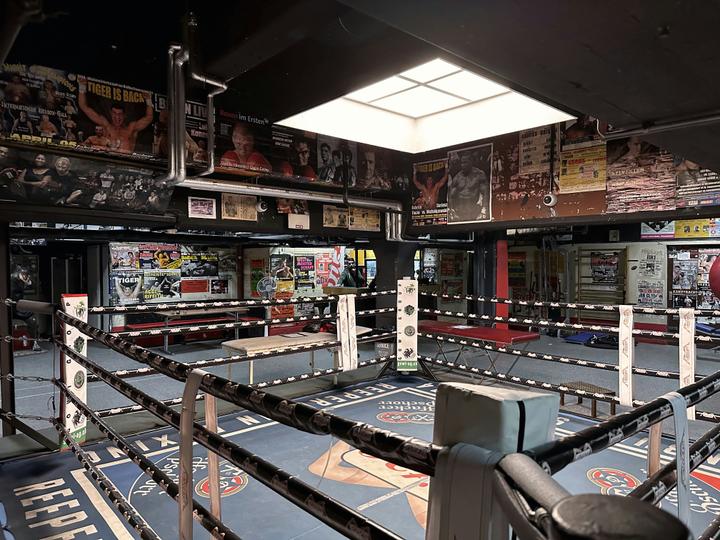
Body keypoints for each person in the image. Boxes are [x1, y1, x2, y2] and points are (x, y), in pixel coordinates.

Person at [77, 76, 154, 153]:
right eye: (114, 113)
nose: (117, 116)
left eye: (120, 114)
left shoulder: (131, 129)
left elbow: (149, 118)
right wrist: (82, 86)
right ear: (111, 114)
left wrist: (148, 100)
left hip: (126, 159)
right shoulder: (106, 126)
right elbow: (84, 107)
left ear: (124, 115)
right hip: (106, 159)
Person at [448, 152, 488, 222]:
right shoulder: (457, 177)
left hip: (474, 209)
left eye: (465, 162)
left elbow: (486, 193)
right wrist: (451, 210)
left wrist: (484, 209)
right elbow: (451, 196)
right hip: (459, 210)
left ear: (471, 162)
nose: (463, 165)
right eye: (462, 163)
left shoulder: (479, 175)